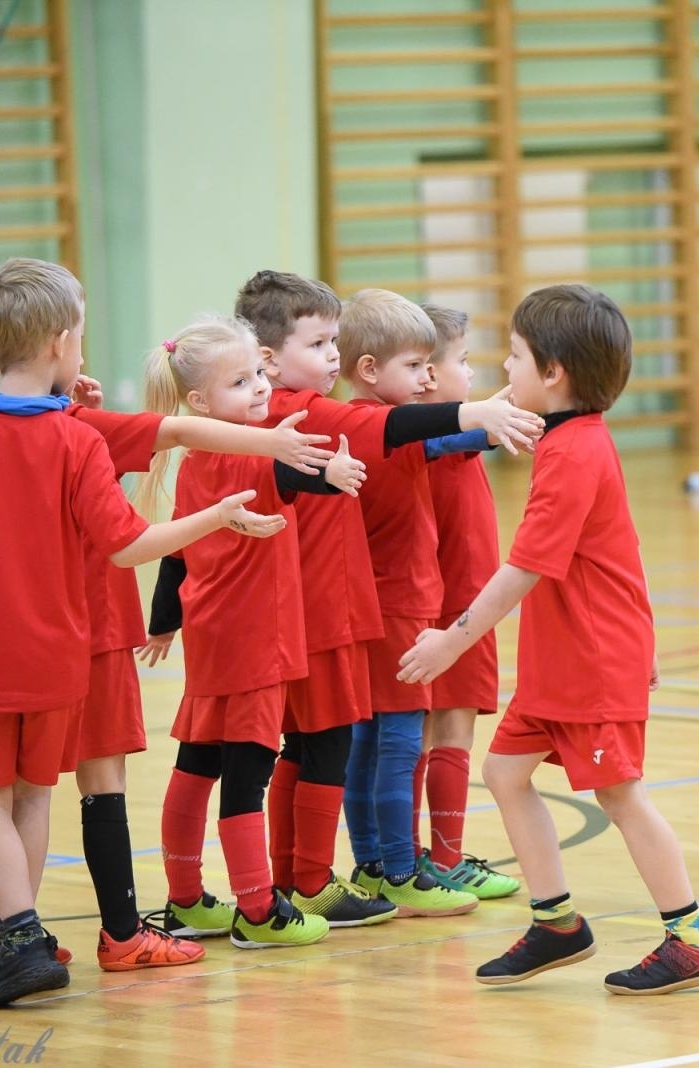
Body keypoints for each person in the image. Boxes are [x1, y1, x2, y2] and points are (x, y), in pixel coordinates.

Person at [0, 258, 288, 1008]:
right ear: (57, 343)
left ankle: (19, 937)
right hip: (58, 660)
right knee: (33, 796)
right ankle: (23, 939)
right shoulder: (77, 443)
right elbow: (128, 545)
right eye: (79, 334)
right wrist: (215, 517)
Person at [400, 284, 699, 995]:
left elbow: (521, 569)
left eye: (515, 356)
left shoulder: (574, 453)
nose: (504, 368)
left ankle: (693, 938)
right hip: (561, 662)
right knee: (505, 773)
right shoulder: (567, 435)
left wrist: (450, 642)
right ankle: (556, 923)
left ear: (553, 374)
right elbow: (619, 548)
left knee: (620, 797)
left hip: (592, 662)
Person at [230, 270, 541, 927]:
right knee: (375, 743)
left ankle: (346, 870)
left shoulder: (331, 414)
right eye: (319, 344)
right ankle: (390, 869)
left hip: (368, 606)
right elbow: (417, 429)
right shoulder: (333, 417)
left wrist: (492, 414)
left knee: (340, 745)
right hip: (376, 605)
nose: (427, 381)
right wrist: (479, 414)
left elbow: (438, 437)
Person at [139, 315, 365, 950]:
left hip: (211, 640)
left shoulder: (193, 463)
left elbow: (175, 555)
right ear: (199, 402)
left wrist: (163, 624)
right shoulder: (256, 453)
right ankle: (259, 910)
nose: (261, 388)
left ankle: (185, 901)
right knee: (247, 775)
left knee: (196, 764)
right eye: (240, 382)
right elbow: (293, 475)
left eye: (258, 374)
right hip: (258, 645)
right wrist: (331, 475)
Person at [339, 289, 480, 918]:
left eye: (431, 366)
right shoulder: (381, 430)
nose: (426, 380)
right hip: (396, 604)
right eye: (415, 367)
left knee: (371, 739)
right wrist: (502, 414)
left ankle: (374, 863)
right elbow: (450, 434)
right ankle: (399, 869)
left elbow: (451, 438)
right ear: (370, 369)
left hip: (389, 601)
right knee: (395, 741)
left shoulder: (376, 425)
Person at [413, 303, 521, 899]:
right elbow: (459, 432)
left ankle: (428, 858)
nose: (473, 372)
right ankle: (436, 860)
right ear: (428, 374)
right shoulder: (428, 436)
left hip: (460, 600)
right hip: (452, 605)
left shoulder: (435, 433)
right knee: (443, 727)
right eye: (464, 360)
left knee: (438, 727)